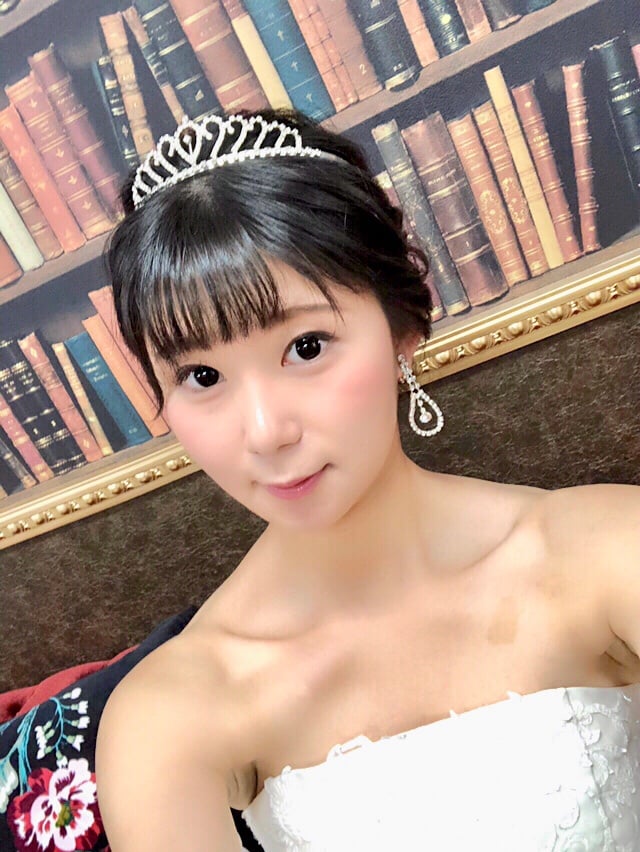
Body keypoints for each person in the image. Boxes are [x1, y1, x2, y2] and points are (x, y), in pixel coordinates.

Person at [95, 107, 640, 851]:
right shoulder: (167, 713)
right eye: (202, 376)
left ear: (401, 326)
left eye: (306, 346)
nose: (265, 431)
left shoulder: (608, 549)